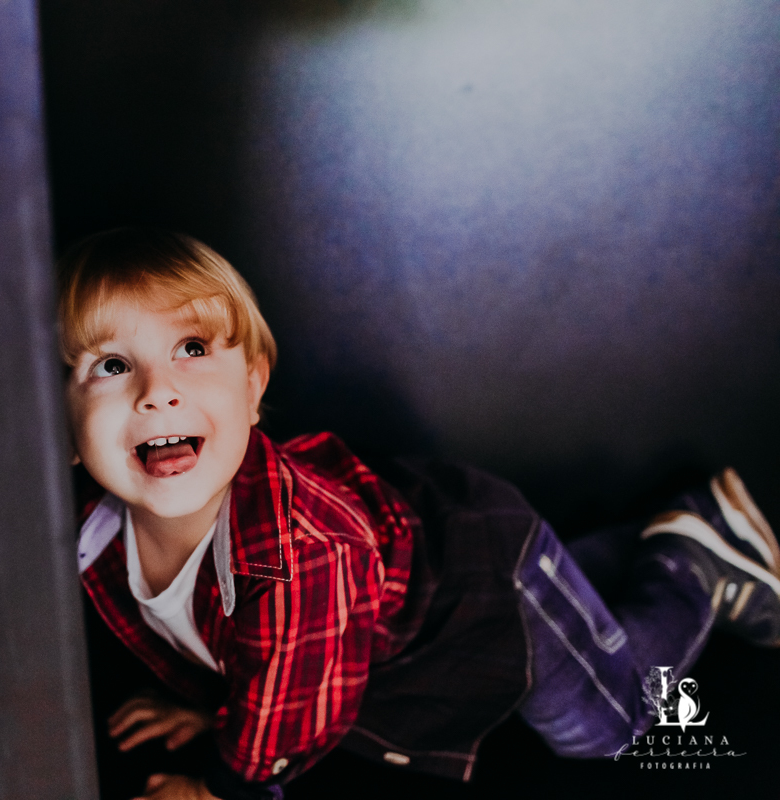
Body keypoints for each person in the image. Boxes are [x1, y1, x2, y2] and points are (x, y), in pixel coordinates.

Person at [57, 227, 780, 800]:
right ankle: (604, 564)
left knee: (606, 724)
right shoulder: (91, 530)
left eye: (191, 349)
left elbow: (287, 712)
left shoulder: (302, 554)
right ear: (54, 421)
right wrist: (217, 713)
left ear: (251, 389)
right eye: (112, 365)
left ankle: (693, 561)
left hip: (478, 580)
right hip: (392, 586)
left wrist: (218, 783)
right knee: (577, 624)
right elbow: (250, 655)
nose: (157, 393)